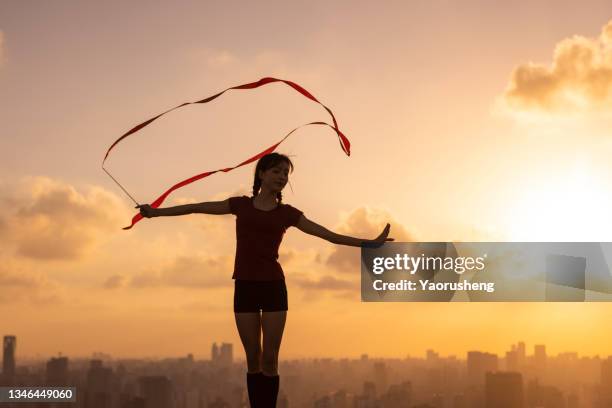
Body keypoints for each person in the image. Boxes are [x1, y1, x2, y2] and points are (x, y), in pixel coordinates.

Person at [137, 153, 393, 407]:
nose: (282, 177)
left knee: (270, 359)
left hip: (273, 287)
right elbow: (195, 208)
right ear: (262, 174)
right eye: (277, 171)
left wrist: (368, 244)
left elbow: (329, 236)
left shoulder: (288, 214)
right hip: (245, 286)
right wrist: (154, 213)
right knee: (253, 359)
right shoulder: (240, 205)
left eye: (285, 173)